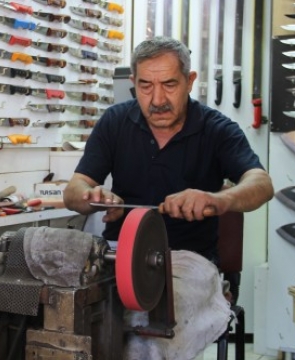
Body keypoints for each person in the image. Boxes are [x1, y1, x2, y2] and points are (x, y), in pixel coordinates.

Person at [63, 36, 274, 261]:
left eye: (169, 84)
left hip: (189, 259)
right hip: (121, 254)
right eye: (145, 86)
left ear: (189, 81)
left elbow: (262, 184)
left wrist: (218, 200)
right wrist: (94, 197)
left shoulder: (217, 129)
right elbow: (72, 192)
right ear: (134, 82)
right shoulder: (115, 121)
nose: (157, 99)